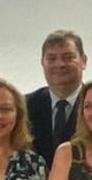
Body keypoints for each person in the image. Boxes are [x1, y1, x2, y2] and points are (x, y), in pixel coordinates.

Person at [26, 30, 88, 163]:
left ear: (84, 61)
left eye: (68, 57)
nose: (60, 64)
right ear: (42, 62)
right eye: (51, 58)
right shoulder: (25, 106)